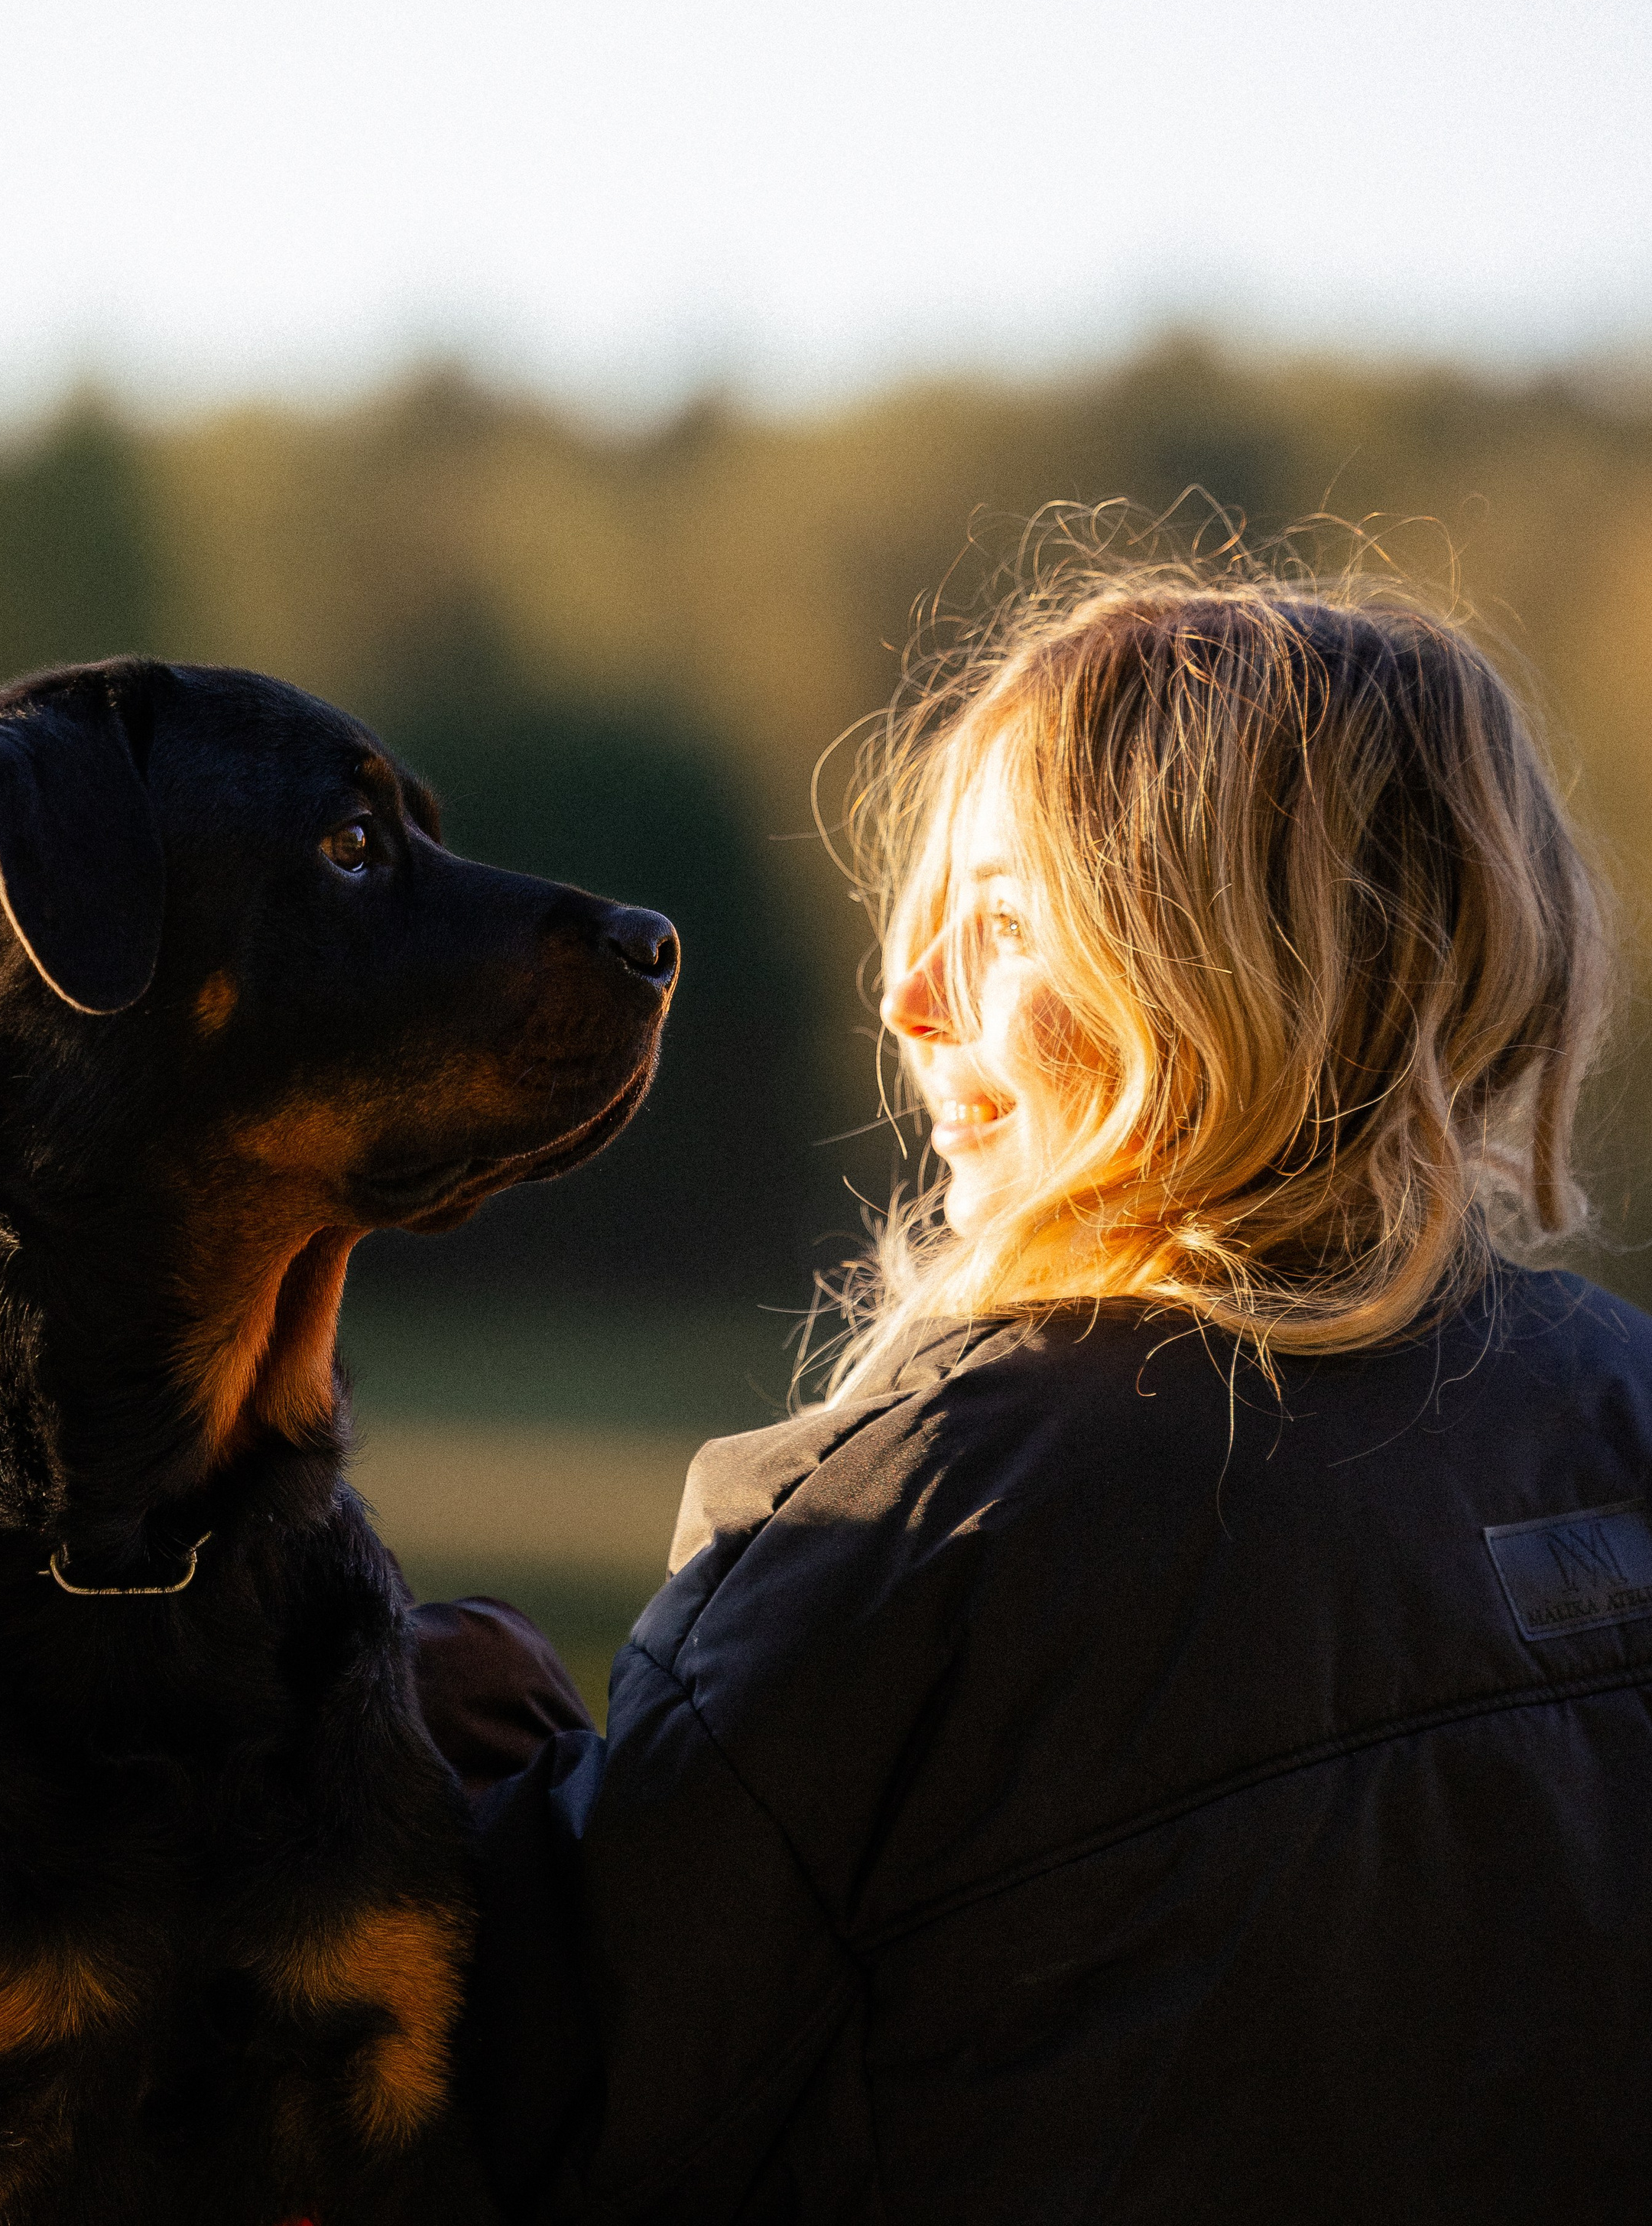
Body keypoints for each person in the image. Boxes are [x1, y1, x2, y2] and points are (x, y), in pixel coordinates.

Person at [417, 556, 1652, 2224]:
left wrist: (445, 1736)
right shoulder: (1620, 1408)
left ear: (1233, 970)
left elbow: (544, 2117)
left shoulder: (902, 1531)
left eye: (1000, 922)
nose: (902, 998)